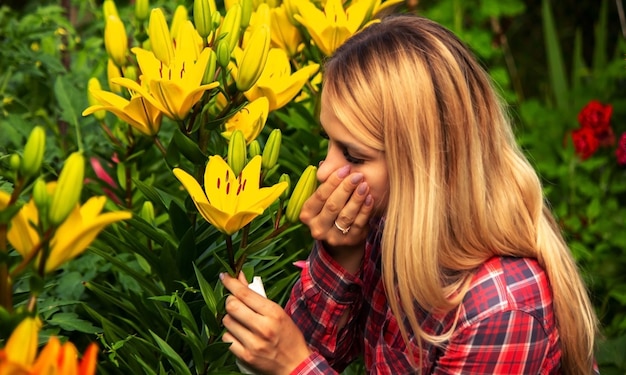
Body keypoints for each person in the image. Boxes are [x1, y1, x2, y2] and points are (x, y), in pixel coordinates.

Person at [220, 14, 599, 374]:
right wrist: (340, 254)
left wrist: (293, 367)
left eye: (353, 154)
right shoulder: (387, 226)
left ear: (425, 164)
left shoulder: (499, 308)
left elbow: (297, 359)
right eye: (329, 143)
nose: (323, 171)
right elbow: (312, 349)